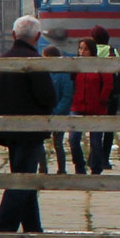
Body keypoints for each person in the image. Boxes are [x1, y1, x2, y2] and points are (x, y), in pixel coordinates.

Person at [0, 16, 55, 234]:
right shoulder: (35, 61)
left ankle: (33, 227)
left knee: (23, 174)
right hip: (31, 128)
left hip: (7, 127)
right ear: (37, 37)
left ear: (13, 35)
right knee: (22, 179)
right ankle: (3, 228)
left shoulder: (3, 59)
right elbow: (47, 97)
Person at [76, 35, 116, 175]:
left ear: (92, 50)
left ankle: (96, 169)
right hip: (78, 106)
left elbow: (108, 84)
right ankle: (79, 167)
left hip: (97, 107)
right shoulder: (75, 65)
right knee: (74, 138)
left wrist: (101, 99)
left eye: (85, 49)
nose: (82, 52)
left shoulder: (100, 65)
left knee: (96, 141)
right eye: (80, 49)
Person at [87, 26, 120, 174]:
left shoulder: (91, 51)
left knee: (94, 127)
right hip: (111, 95)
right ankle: (105, 160)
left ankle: (92, 158)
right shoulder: (112, 51)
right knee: (109, 128)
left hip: (94, 93)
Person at [43, 45, 83, 174]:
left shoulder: (62, 76)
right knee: (42, 143)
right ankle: (43, 168)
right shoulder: (47, 74)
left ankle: (61, 169)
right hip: (48, 112)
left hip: (58, 113)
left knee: (58, 143)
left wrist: (56, 111)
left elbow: (67, 96)